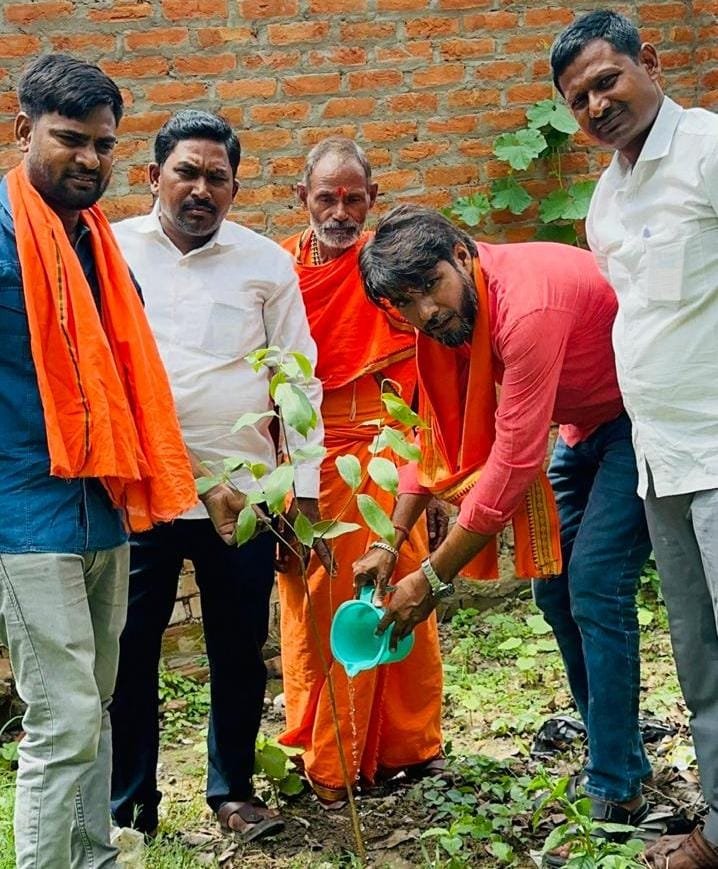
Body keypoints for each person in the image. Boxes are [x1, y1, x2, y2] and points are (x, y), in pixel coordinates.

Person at [355, 205, 653, 865]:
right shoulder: (449, 325)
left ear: (462, 257)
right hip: (582, 426)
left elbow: (515, 462)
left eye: (430, 286)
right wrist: (390, 536)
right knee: (556, 594)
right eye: (405, 302)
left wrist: (431, 576)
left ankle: (619, 785)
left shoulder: (527, 308)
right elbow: (430, 433)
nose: (425, 312)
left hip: (634, 417)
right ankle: (616, 744)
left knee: (597, 586)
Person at [0, 54, 196, 868]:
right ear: (22, 132)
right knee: (64, 716)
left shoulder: (99, 246)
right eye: (69, 139)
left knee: (95, 703)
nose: (89, 158)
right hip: (24, 512)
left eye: (103, 145)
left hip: (105, 505)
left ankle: (93, 856)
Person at [109, 109, 326, 843]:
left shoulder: (265, 262)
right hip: (140, 490)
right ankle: (130, 804)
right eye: (186, 173)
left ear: (235, 188)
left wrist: (304, 488)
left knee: (238, 647)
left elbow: (298, 381)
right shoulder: (109, 252)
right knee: (131, 647)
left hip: (245, 494)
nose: (200, 189)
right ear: (152, 177)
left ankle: (232, 788)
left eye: (217, 178)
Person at [551, 10, 718, 868]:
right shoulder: (609, 195)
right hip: (659, 457)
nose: (596, 104)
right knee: (701, 657)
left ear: (650, 62)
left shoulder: (708, 152)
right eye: (579, 98)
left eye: (607, 80)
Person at [277, 137, 445, 807]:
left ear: (372, 199)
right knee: (317, 599)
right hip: (310, 455)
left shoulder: (390, 267)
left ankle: (410, 745)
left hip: (388, 452)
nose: (340, 210)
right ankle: (331, 758)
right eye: (327, 197)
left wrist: (427, 475)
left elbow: (423, 375)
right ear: (302, 198)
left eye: (353, 198)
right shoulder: (279, 271)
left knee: (403, 587)